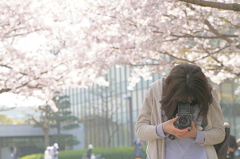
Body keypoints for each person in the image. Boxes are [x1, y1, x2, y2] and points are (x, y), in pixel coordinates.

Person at [135, 63, 225, 159]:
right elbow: (140, 130)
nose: (187, 100)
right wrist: (163, 128)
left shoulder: (208, 93)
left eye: (192, 98)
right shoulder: (156, 90)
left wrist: (196, 134)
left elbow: (219, 133)